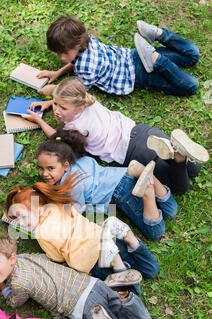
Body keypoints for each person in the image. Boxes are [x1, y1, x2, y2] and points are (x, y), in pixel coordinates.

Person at [23, 78, 209, 196]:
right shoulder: (88, 100)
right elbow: (66, 98)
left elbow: (55, 137)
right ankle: (179, 150)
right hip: (142, 132)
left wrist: (38, 121)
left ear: (79, 107)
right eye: (55, 104)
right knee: (194, 169)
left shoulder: (75, 128)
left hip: (133, 152)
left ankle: (179, 156)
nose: (56, 110)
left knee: (179, 188)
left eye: (62, 108)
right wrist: (49, 102)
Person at [0, 234, 153, 319]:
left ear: (11, 259)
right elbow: (43, 257)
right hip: (93, 284)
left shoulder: (19, 283)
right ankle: (125, 296)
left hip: (81, 306)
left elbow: (13, 302)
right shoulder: (26, 258)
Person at [4, 174, 160, 295]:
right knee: (151, 270)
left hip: (92, 260)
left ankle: (119, 266)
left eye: (23, 217)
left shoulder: (40, 233)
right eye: (18, 220)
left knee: (130, 294)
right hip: (104, 237)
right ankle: (132, 240)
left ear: (37, 208)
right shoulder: (57, 205)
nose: (21, 223)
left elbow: (57, 257)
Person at [36, 129, 178, 240]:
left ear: (65, 166)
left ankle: (148, 192)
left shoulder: (71, 185)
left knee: (155, 231)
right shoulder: (80, 160)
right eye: (40, 168)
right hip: (125, 174)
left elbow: (75, 212)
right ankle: (149, 177)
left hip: (120, 191)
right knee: (171, 210)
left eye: (50, 168)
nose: (44, 174)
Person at [36, 16, 200, 97]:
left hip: (139, 74)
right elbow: (75, 61)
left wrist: (54, 91)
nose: (60, 57)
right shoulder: (87, 40)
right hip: (135, 55)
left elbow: (75, 93)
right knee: (193, 55)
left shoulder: (86, 68)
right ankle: (159, 34)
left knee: (190, 86)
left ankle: (157, 60)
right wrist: (57, 73)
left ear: (76, 46)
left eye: (62, 53)